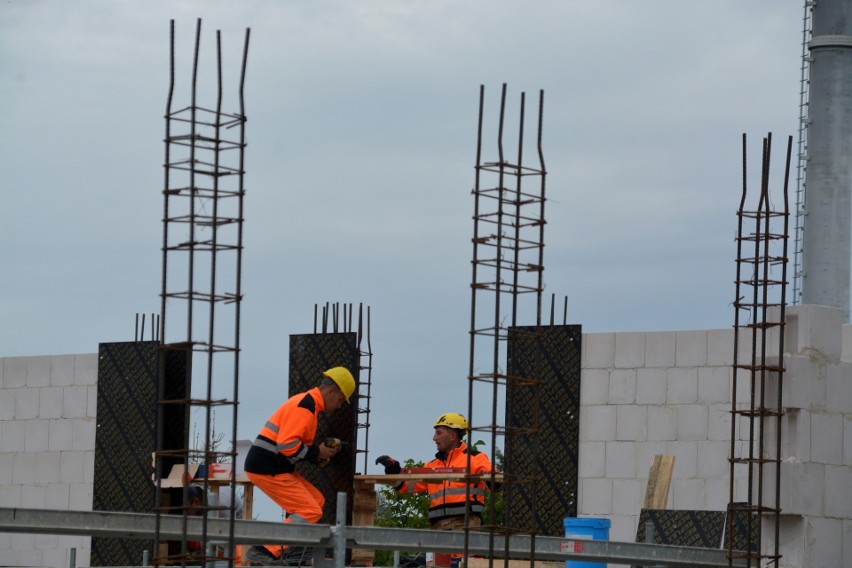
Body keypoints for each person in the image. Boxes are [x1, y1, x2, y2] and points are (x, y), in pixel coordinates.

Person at [243, 367, 356, 567]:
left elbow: (290, 445)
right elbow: (286, 445)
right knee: (309, 511)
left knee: (316, 501)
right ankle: (264, 550)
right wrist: (316, 453)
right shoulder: (305, 406)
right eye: (340, 400)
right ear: (331, 392)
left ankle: (295, 557)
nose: (339, 406)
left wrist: (317, 455)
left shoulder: (308, 404)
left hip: (274, 464)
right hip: (267, 466)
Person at [376, 412, 499, 568]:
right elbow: (406, 486)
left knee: (468, 565)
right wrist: (394, 470)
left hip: (465, 527)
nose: (434, 438)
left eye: (439, 432)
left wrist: (490, 478)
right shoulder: (432, 466)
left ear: (453, 435)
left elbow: (495, 482)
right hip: (437, 529)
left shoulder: (475, 458)